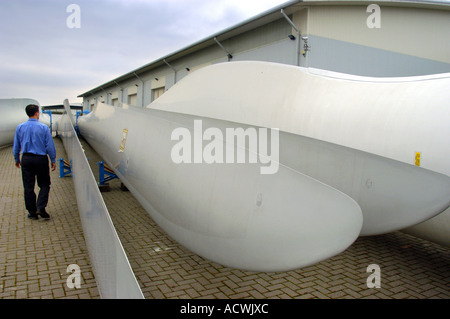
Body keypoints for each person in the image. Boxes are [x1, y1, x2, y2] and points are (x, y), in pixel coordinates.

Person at [13, 104, 57, 220]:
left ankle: (32, 212)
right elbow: (50, 146)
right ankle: (41, 207)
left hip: (26, 159)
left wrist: (17, 159)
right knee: (44, 184)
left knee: (28, 186)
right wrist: (53, 160)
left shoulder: (20, 127)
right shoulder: (43, 128)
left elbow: (16, 145)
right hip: (41, 159)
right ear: (37, 113)